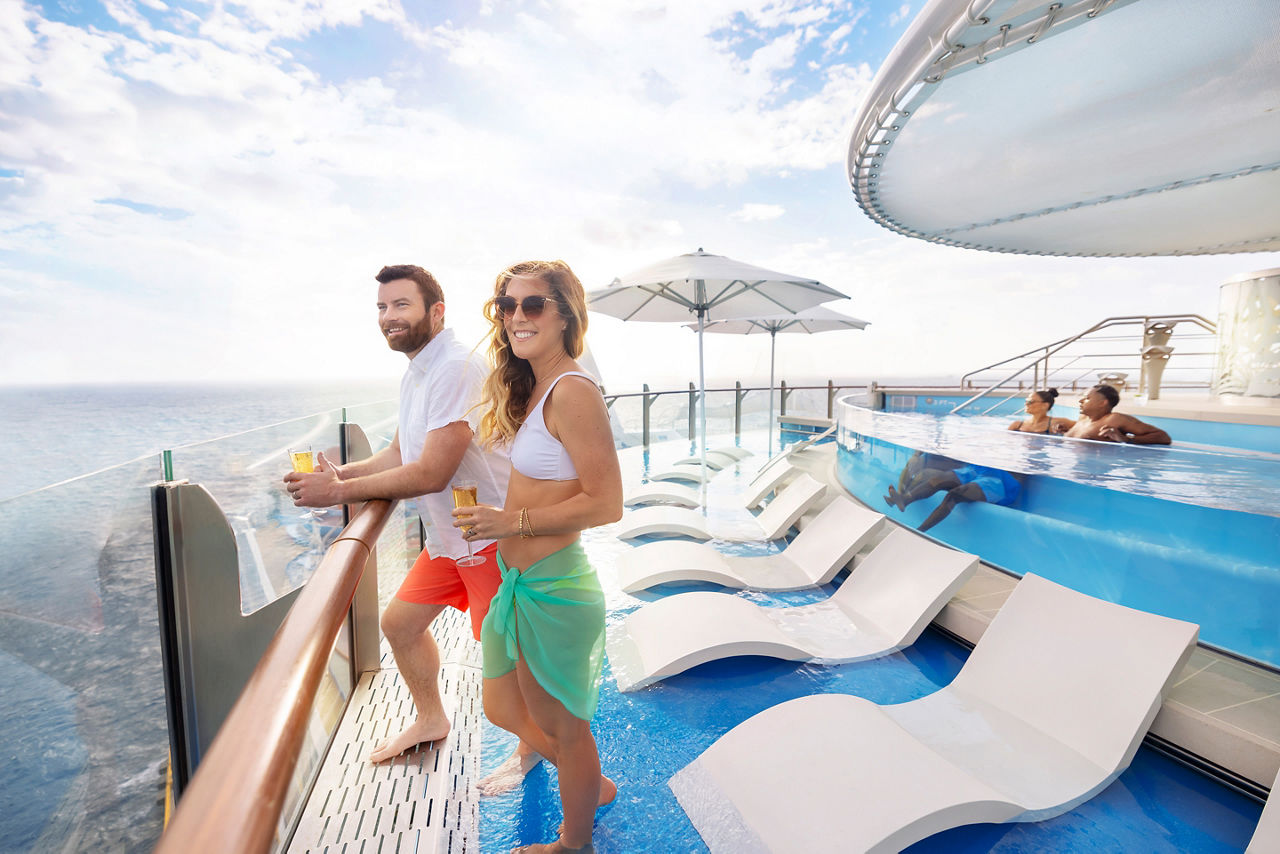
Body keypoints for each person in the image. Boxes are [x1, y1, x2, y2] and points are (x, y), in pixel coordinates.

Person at [283, 264, 537, 770]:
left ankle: (531, 749)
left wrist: (337, 489)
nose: (388, 317)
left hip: (487, 535)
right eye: (382, 307)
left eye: (401, 305)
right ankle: (431, 718)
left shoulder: (455, 368)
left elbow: (431, 474)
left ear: (435, 311)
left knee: (507, 655)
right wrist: (342, 474)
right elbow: (402, 452)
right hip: (450, 540)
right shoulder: (418, 371)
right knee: (400, 625)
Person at [452, 259, 622, 854]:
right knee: (501, 704)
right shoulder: (541, 389)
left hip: (556, 588)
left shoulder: (573, 391)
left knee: (566, 729)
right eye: (507, 305)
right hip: (519, 581)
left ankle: (574, 842)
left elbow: (608, 503)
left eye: (532, 305)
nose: (516, 317)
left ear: (564, 315)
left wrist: (511, 521)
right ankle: (589, 784)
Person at [885, 451, 1021, 532]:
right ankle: (904, 500)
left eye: (1031, 401)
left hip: (995, 480)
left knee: (954, 495)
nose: (1028, 403)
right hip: (977, 469)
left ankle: (920, 531)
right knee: (937, 480)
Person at [1064, 384, 1171, 444]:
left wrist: (1126, 439)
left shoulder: (1114, 419)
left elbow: (1163, 437)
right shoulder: (1083, 418)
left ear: (1102, 403)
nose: (1081, 401)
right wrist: (1065, 431)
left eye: (1087, 398)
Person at [1008, 388, 1074, 434]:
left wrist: (1069, 430)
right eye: (1026, 401)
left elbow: (1081, 427)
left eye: (1030, 401)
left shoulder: (1057, 422)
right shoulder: (1017, 425)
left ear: (1045, 405)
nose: (1026, 404)